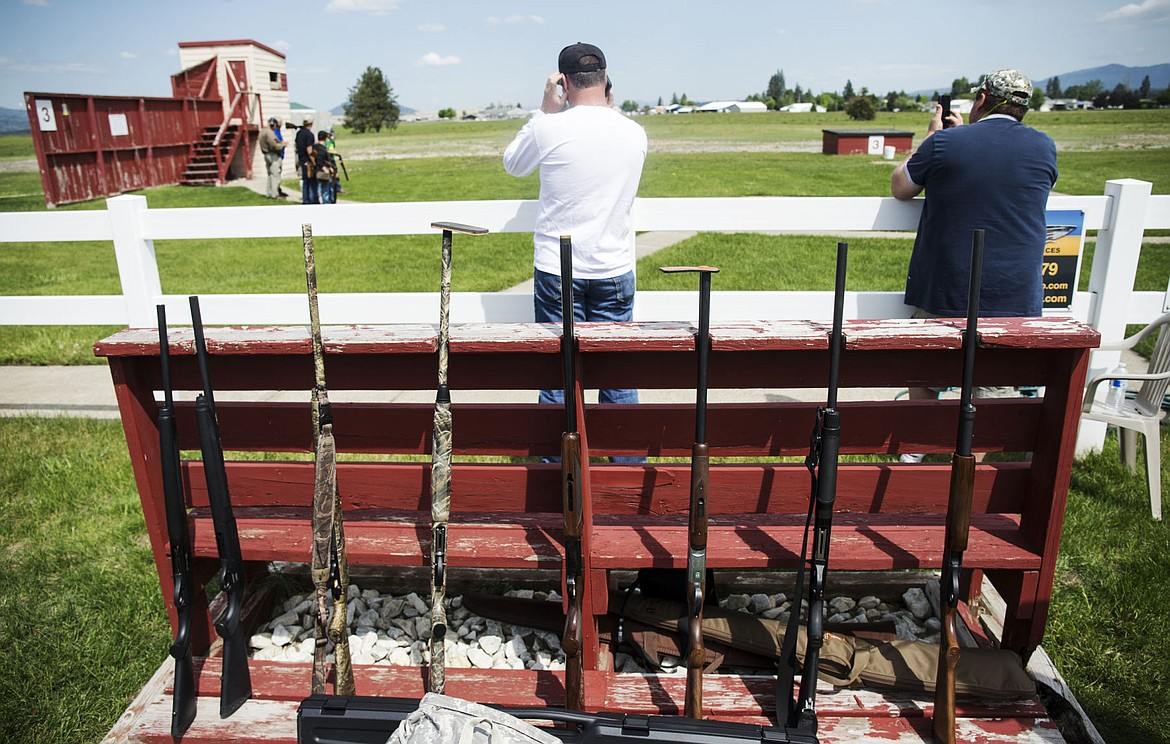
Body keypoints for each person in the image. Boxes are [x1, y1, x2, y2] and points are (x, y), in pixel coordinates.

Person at [891, 69, 1058, 461]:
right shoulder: (1044, 146)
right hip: (1014, 296)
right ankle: (973, 462)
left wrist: (934, 135)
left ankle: (916, 448)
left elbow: (901, 186)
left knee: (926, 374)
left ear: (981, 99)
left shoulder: (948, 142)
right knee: (993, 387)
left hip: (948, 286)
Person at [503, 43, 647, 462]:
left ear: (563, 83)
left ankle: (555, 472)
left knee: (558, 375)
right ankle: (626, 474)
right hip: (613, 269)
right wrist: (612, 107)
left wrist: (545, 110)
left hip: (557, 270)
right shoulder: (634, 132)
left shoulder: (549, 127)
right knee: (617, 375)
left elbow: (514, 163)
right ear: (606, 81)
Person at [258, 117, 286, 199]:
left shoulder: (262, 131)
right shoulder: (269, 133)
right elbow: (274, 145)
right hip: (273, 155)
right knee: (275, 175)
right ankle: (274, 194)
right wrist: (282, 144)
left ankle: (269, 193)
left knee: (270, 175)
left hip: (266, 154)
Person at [295, 116, 319, 204]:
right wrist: (314, 161)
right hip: (308, 161)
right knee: (312, 182)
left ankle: (306, 200)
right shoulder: (309, 135)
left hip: (301, 160)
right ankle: (313, 200)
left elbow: (296, 146)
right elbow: (309, 150)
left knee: (305, 182)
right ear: (311, 124)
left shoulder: (299, 133)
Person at [313, 130, 338, 204]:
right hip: (323, 171)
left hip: (317, 171)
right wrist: (325, 168)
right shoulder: (322, 149)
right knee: (325, 191)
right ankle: (326, 204)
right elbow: (319, 160)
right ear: (325, 138)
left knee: (318, 189)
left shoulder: (315, 146)